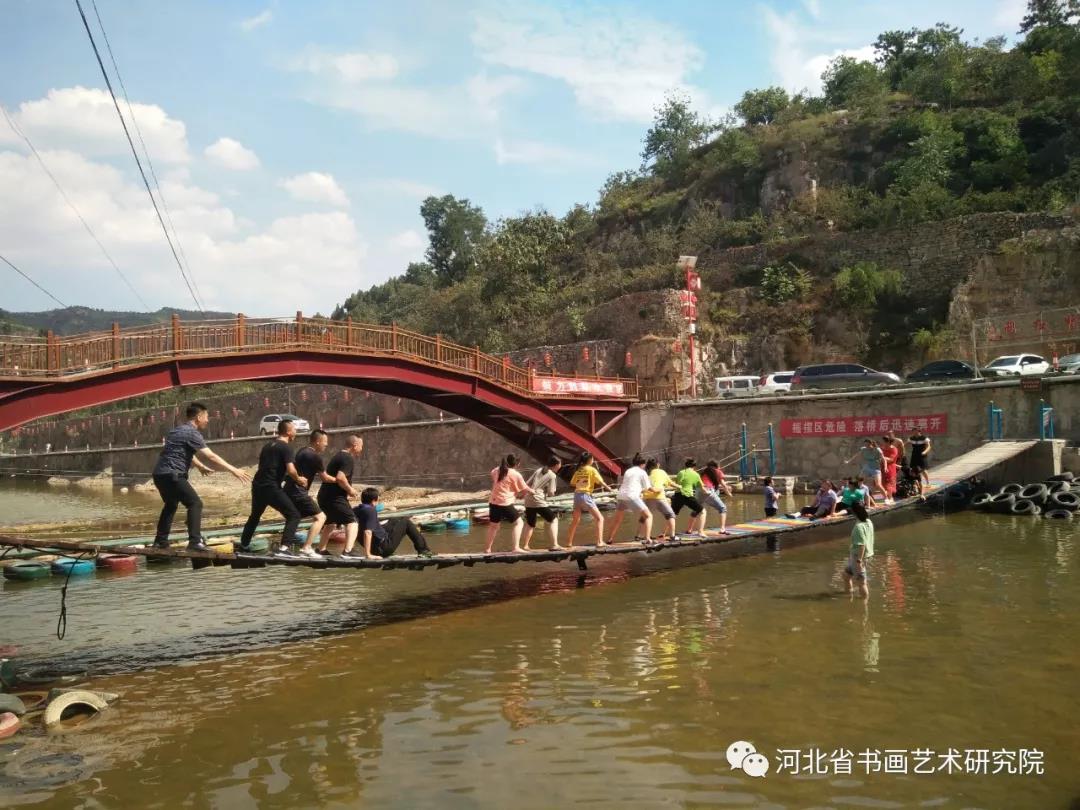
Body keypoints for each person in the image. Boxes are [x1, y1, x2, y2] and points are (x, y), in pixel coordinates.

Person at [151, 402, 249, 551]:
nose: (208, 420)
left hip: (159, 475)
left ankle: (160, 542)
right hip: (173, 474)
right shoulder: (192, 433)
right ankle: (195, 542)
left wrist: (200, 466)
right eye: (206, 417)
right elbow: (211, 456)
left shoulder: (176, 431)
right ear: (199, 417)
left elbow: (184, 452)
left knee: (171, 505)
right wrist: (233, 470)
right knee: (195, 504)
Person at [238, 419, 306, 554]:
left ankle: (244, 545)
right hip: (271, 487)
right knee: (294, 515)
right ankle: (284, 548)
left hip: (258, 485)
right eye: (294, 429)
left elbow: (268, 467)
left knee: (255, 516)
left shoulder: (268, 446)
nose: (296, 432)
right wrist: (299, 479)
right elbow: (291, 470)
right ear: (288, 432)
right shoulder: (286, 447)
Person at [286, 429, 335, 558]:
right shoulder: (315, 457)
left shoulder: (302, 451)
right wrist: (339, 480)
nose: (326, 444)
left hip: (290, 490)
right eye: (325, 442)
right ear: (317, 441)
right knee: (321, 517)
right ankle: (306, 548)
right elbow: (325, 478)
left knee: (295, 517)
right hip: (299, 492)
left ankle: (285, 547)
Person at [315, 435, 364, 556]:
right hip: (334, 498)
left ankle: (321, 549)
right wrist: (350, 490)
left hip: (324, 496)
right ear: (355, 445)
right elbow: (340, 478)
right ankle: (348, 551)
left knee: (330, 523)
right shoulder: (347, 458)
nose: (362, 449)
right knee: (352, 522)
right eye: (361, 446)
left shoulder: (338, 456)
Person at [355, 487, 435, 559]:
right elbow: (367, 532)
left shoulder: (356, 510)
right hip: (383, 549)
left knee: (394, 520)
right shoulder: (370, 511)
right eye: (377, 500)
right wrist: (368, 555)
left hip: (376, 547)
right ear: (373, 501)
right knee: (406, 522)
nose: (378, 503)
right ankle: (423, 550)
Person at [484, 454, 534, 553]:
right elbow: (524, 488)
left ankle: (487, 549)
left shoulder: (497, 470)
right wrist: (532, 491)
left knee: (493, 526)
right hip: (505, 503)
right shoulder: (515, 474)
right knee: (519, 523)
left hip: (493, 502)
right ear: (517, 464)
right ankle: (516, 548)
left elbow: (493, 474)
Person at [604, 453, 656, 545]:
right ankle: (648, 539)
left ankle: (609, 539)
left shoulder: (628, 471)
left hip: (621, 496)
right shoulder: (642, 472)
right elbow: (648, 488)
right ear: (643, 464)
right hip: (632, 496)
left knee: (617, 520)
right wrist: (657, 490)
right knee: (648, 516)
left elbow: (631, 484)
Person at [565, 451, 614, 547]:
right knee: (600, 518)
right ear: (589, 460)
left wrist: (583, 481)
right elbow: (601, 482)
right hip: (585, 496)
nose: (593, 460)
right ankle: (599, 542)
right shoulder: (592, 469)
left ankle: (569, 543)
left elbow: (572, 483)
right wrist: (609, 488)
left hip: (576, 496)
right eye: (592, 458)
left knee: (575, 520)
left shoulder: (579, 470)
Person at [522, 457, 563, 550]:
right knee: (553, 520)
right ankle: (555, 545)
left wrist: (522, 494)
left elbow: (526, 483)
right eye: (560, 464)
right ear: (556, 465)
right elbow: (551, 492)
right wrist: (552, 493)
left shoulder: (539, 470)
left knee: (530, 523)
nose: (560, 466)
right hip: (538, 500)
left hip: (528, 500)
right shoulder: (552, 475)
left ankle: (525, 546)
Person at [843, 501, 875, 598]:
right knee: (846, 575)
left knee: (861, 582)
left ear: (854, 512)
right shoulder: (868, 521)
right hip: (862, 555)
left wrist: (859, 561)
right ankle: (848, 595)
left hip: (858, 557)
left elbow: (862, 545)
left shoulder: (858, 527)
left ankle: (864, 603)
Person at [846, 439, 889, 504]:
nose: (866, 446)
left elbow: (884, 459)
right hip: (867, 468)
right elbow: (856, 455)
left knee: (878, 484)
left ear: (871, 444)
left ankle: (886, 498)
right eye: (865, 444)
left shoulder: (877, 449)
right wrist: (849, 461)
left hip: (876, 469)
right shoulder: (863, 449)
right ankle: (856, 498)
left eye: (868, 444)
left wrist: (885, 467)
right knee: (858, 482)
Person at [643, 458, 677, 540]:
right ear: (658, 465)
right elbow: (670, 483)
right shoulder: (661, 472)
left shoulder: (647, 474)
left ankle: (641, 536)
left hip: (648, 497)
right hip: (659, 496)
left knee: (645, 517)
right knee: (671, 515)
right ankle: (672, 536)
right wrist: (679, 486)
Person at [672, 458, 706, 535]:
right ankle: (700, 532)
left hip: (678, 495)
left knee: (672, 515)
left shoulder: (681, 472)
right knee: (702, 511)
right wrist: (706, 490)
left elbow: (677, 483)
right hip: (688, 495)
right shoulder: (696, 474)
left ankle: (665, 533)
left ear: (686, 465)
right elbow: (702, 487)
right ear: (694, 466)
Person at [699, 460, 733, 534]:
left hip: (699, 490)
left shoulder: (704, 471)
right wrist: (728, 493)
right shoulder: (718, 471)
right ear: (717, 465)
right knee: (723, 508)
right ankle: (722, 529)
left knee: (697, 509)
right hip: (708, 490)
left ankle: (689, 529)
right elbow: (723, 484)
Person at [880, 436, 900, 504]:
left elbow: (891, 459)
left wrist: (882, 458)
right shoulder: (882, 448)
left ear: (888, 442)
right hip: (882, 466)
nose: (882, 443)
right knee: (883, 482)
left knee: (889, 483)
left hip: (890, 467)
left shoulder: (894, 449)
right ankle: (887, 498)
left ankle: (890, 498)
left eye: (883, 441)